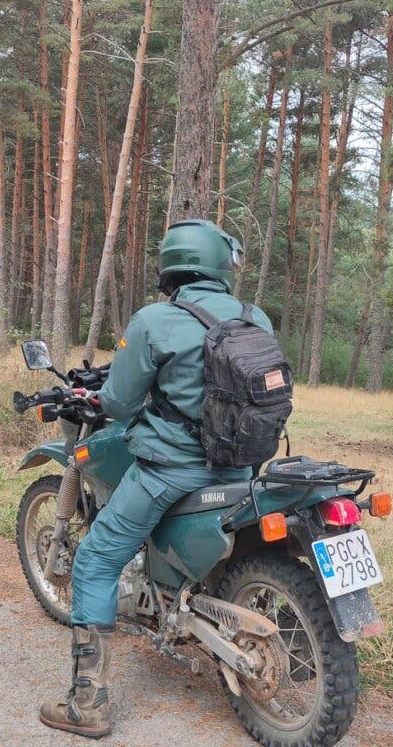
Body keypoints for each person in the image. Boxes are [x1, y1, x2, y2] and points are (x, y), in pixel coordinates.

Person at [39, 219, 274, 739]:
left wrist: (99, 398)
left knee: (97, 557)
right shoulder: (255, 317)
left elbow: (121, 402)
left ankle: (87, 702)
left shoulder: (154, 320)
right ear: (220, 265)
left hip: (171, 470)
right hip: (240, 469)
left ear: (171, 268)